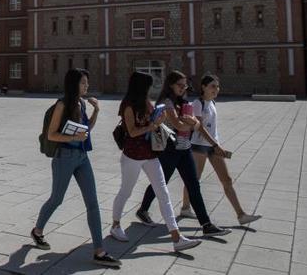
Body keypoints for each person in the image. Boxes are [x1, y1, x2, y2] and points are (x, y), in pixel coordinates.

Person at [31, 68, 121, 268]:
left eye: (87, 83)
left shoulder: (81, 103)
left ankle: (99, 250)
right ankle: (37, 230)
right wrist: (73, 138)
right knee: (57, 199)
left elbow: (86, 131)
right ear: (73, 84)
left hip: (81, 157)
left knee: (93, 203)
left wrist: (96, 110)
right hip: (64, 157)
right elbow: (51, 135)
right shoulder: (62, 104)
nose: (87, 86)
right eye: (83, 83)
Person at [110, 71, 201, 252]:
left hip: (151, 154)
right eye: (148, 86)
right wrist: (151, 126)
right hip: (132, 156)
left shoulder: (147, 103)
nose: (151, 89)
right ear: (141, 86)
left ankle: (176, 238)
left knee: (163, 193)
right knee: (125, 191)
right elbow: (132, 132)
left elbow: (154, 123)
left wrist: (160, 120)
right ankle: (115, 225)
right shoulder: (128, 105)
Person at [134, 71, 231, 236]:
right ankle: (143, 209)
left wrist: (192, 124)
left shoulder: (183, 102)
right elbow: (179, 125)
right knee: (161, 182)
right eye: (180, 85)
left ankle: (206, 224)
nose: (183, 88)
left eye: (185, 85)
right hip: (169, 150)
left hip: (184, 149)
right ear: (171, 85)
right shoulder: (167, 103)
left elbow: (194, 124)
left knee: (194, 185)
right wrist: (192, 124)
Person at [182, 74, 262, 225]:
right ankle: (185, 208)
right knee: (194, 180)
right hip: (199, 146)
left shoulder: (212, 102)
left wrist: (217, 144)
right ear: (203, 87)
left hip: (213, 146)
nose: (216, 89)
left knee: (227, 180)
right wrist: (215, 145)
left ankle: (241, 215)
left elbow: (213, 129)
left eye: (217, 86)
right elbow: (200, 128)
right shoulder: (197, 104)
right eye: (212, 86)